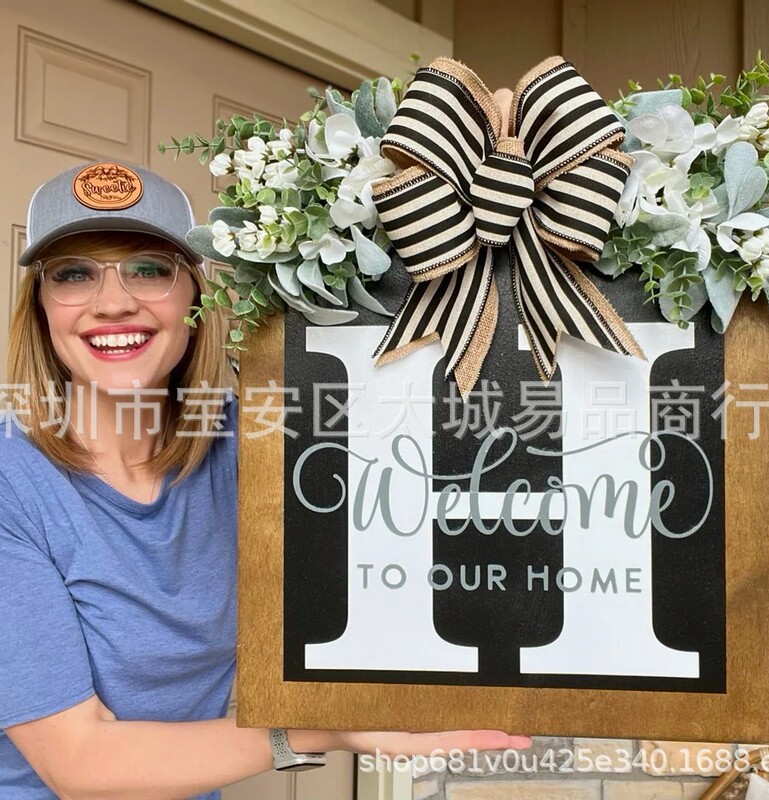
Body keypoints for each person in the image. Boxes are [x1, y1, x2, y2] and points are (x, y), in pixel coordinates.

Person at [0, 161, 531, 799]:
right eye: (74, 274)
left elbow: (419, 452)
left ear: (196, 295)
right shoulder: (12, 480)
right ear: (40, 308)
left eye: (149, 268)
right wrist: (317, 732)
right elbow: (82, 765)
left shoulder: (252, 437)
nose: (113, 301)